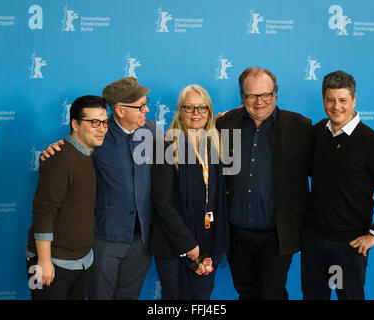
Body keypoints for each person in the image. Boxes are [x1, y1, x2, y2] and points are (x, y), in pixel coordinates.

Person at [40, 77, 158, 299]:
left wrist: (223, 119)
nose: (147, 109)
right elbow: (71, 153)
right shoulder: (99, 133)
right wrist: (51, 151)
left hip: (142, 240)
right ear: (120, 110)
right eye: (141, 106)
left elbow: (186, 144)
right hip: (106, 238)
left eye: (146, 102)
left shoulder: (152, 131)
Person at [301, 70, 374, 300]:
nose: (336, 106)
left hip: (349, 246)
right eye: (330, 100)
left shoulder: (371, 141)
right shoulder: (316, 133)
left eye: (343, 100)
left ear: (354, 101)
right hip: (314, 242)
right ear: (323, 101)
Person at [215, 67, 313, 300]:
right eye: (251, 95)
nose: (259, 102)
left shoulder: (300, 126)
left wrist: (360, 187)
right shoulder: (226, 123)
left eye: (266, 94)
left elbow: (324, 170)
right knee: (246, 294)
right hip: (236, 234)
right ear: (242, 97)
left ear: (275, 94)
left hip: (276, 235)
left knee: (272, 295)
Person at [150, 84, 229, 300]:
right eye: (189, 108)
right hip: (174, 244)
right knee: (176, 297)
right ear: (180, 111)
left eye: (202, 108)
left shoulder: (216, 143)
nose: (196, 114)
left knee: (202, 296)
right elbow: (163, 203)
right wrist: (189, 244)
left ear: (209, 112)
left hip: (207, 239)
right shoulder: (166, 145)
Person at [26, 95, 109, 299]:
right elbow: (44, 211)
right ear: (75, 124)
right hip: (51, 263)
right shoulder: (59, 158)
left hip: (80, 261)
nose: (102, 128)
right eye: (94, 122)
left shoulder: (86, 154)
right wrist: (44, 262)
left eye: (105, 122)